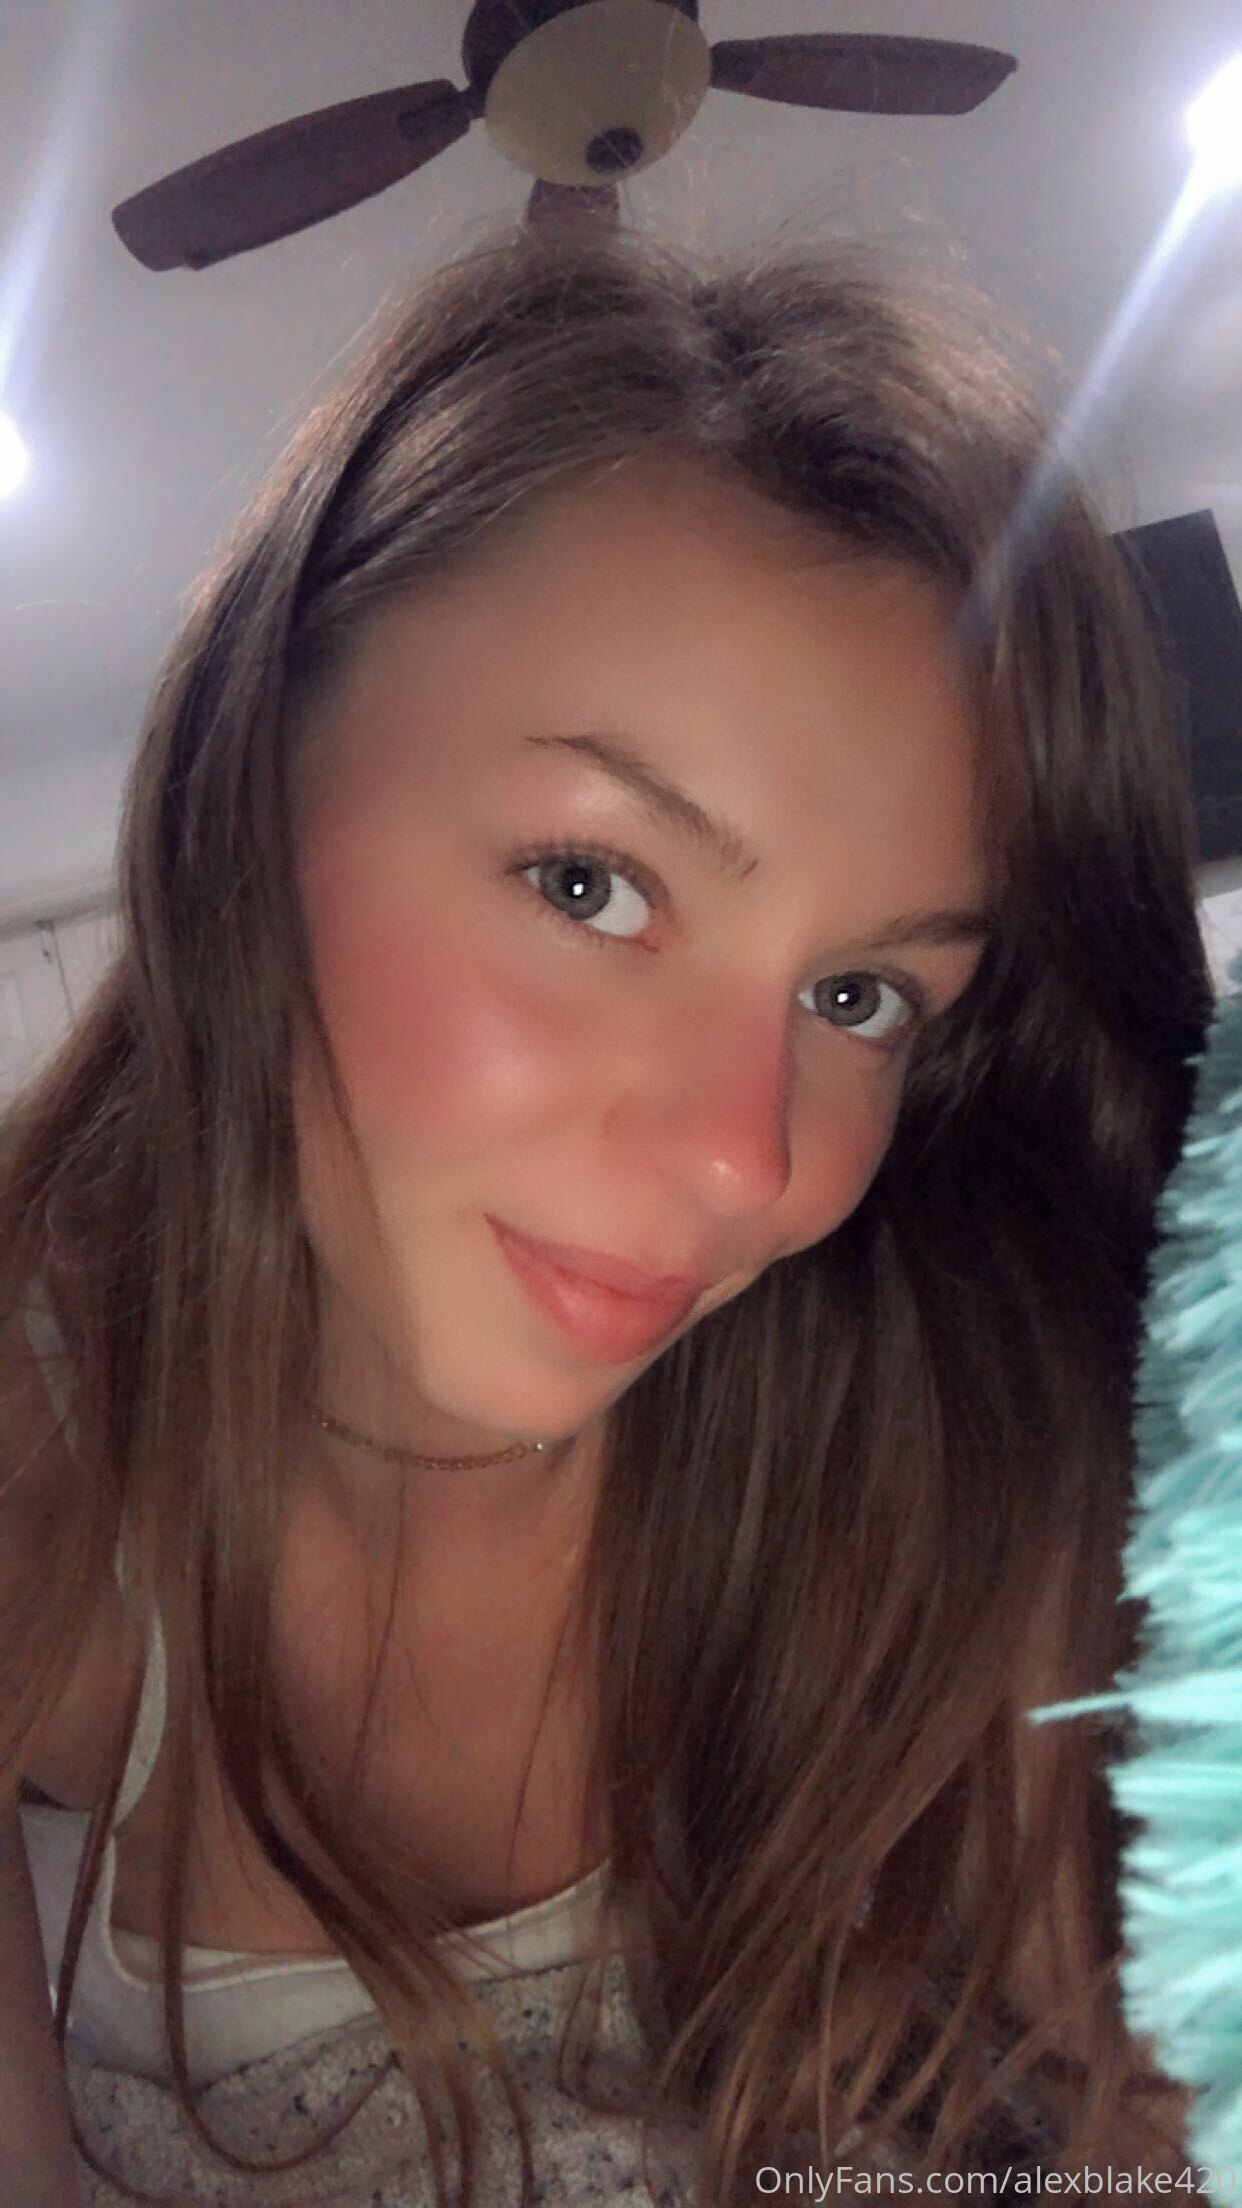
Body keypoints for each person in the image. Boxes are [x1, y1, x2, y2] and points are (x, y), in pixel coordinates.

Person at [0, 215, 1212, 2206]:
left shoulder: (933, 1419)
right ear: (242, 791)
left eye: (860, 997)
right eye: (593, 886)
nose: (747, 1161)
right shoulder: (47, 1479)